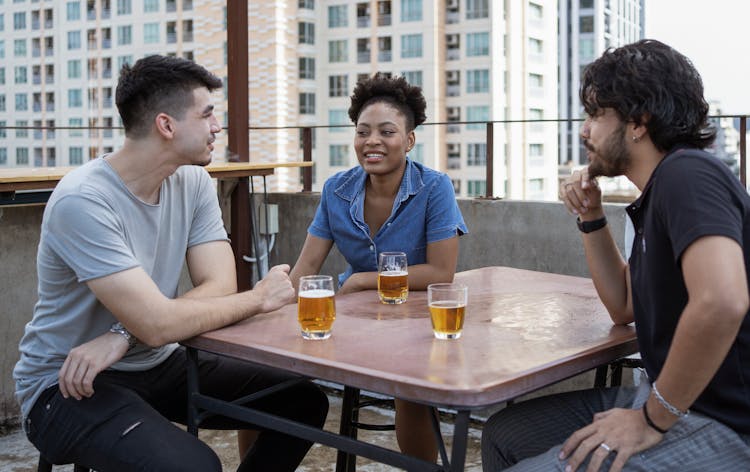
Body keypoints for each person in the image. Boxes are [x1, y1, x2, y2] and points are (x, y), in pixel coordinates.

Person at [13, 55, 328, 472]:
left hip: (155, 363)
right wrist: (259, 298)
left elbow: (217, 284)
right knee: (193, 467)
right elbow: (158, 324)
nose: (217, 127)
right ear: (167, 125)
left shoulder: (193, 180)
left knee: (301, 400)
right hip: (64, 385)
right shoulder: (83, 200)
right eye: (208, 114)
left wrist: (124, 335)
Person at [482, 39, 750, 471]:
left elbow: (723, 300)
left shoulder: (689, 174)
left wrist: (651, 420)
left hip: (723, 423)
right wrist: (590, 217)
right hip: (668, 400)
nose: (584, 130)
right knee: (505, 434)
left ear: (638, 122)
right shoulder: (657, 193)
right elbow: (623, 306)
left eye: (595, 115)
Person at [289, 73, 468, 461]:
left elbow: (441, 273)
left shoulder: (434, 187)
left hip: (416, 320)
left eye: (386, 132)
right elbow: (306, 267)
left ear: (409, 140)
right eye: (362, 132)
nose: (372, 141)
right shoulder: (337, 189)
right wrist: (269, 307)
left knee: (410, 386)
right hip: (351, 320)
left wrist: (360, 280)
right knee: (266, 376)